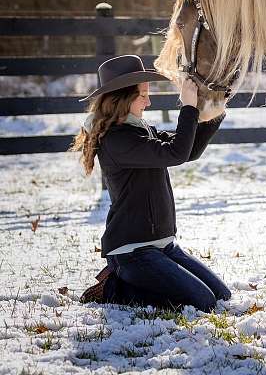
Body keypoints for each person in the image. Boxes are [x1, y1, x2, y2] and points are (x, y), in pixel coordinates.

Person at [73, 54, 231, 311]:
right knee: (203, 302)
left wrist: (214, 111)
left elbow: (188, 150)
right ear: (122, 99)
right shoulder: (117, 141)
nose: (149, 100)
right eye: (142, 94)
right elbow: (175, 153)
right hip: (133, 252)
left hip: (163, 245)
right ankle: (116, 288)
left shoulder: (140, 130)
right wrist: (188, 108)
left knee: (222, 296)